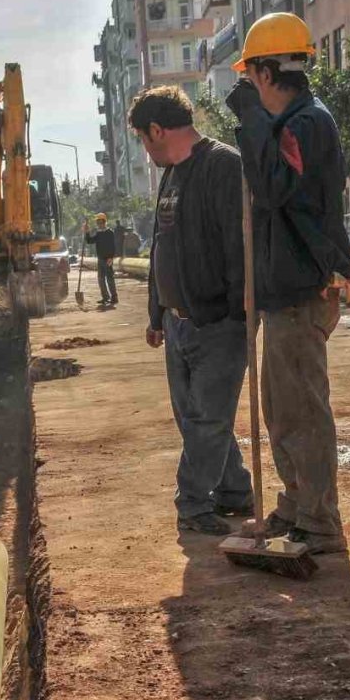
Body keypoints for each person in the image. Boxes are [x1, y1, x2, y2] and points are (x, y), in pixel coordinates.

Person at [227, 11, 350, 555]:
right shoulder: (290, 124)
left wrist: (252, 121)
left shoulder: (305, 124)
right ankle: (297, 506)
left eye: (250, 77)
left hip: (304, 290)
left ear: (263, 73)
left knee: (301, 409)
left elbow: (277, 188)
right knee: (281, 408)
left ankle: (319, 520)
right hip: (285, 290)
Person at [129, 84, 253, 535]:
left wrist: (240, 317)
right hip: (176, 324)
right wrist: (155, 312)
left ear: (158, 130)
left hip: (217, 324)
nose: (146, 150)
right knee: (197, 420)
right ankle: (235, 491)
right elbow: (163, 247)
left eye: (144, 139)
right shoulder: (172, 174)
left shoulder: (223, 167)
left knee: (206, 419)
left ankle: (194, 505)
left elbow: (240, 248)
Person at [84, 213, 119, 308]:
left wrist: (111, 258)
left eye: (100, 222)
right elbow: (89, 241)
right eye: (98, 222)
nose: (99, 224)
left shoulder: (110, 233)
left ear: (104, 222)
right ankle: (105, 297)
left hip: (108, 259)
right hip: (100, 259)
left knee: (110, 279)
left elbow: (113, 247)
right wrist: (87, 232)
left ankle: (114, 297)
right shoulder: (98, 234)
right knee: (101, 279)